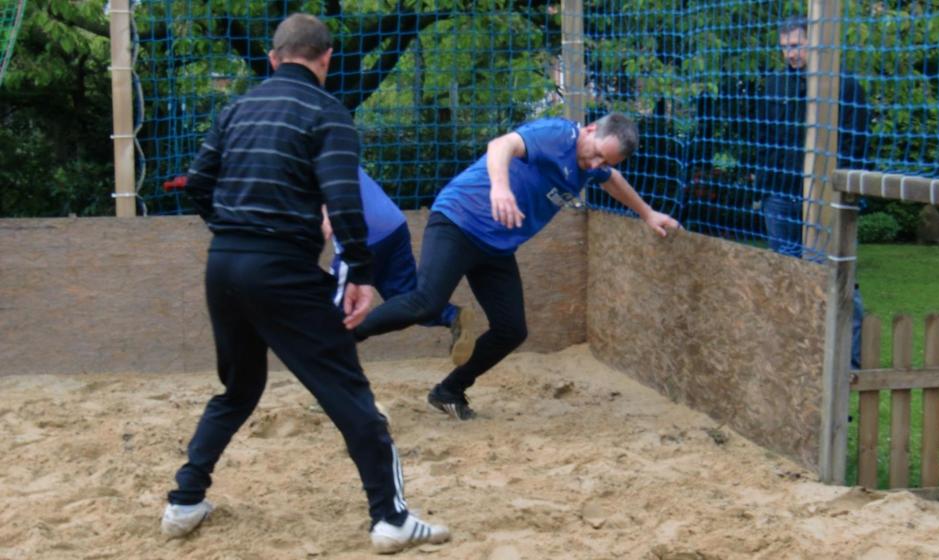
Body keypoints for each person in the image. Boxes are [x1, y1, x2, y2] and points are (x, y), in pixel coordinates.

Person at [160, 13, 449, 554]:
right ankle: (391, 518)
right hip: (282, 270)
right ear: (326, 59)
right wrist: (360, 273)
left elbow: (199, 182)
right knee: (348, 392)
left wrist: (231, 227)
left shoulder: (237, 106)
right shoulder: (327, 112)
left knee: (238, 389)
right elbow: (342, 202)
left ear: (274, 57)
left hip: (223, 263)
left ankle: (183, 501)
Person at [354, 113, 682, 420]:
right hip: (459, 220)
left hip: (495, 247)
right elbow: (502, 145)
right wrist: (500, 187)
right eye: (596, 154)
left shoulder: (592, 162)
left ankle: (449, 391)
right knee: (426, 302)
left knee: (511, 330)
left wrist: (647, 213)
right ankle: (341, 338)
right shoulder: (559, 135)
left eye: (603, 161)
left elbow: (612, 179)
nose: (595, 164)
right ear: (591, 129)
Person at [756, 15, 868, 368]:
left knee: (830, 276)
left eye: (797, 45)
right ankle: (793, 361)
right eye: (785, 47)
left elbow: (857, 144)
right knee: (785, 278)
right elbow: (762, 137)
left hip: (825, 201)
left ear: (815, 42)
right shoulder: (774, 85)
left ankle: (843, 366)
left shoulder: (844, 86)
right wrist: (762, 183)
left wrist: (847, 195)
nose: (791, 53)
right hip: (780, 196)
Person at [323, 167, 476, 366]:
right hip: (393, 225)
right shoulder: (333, 145)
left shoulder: (293, 152)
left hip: (360, 236)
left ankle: (334, 388)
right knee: (407, 297)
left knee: (331, 318)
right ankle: (452, 315)